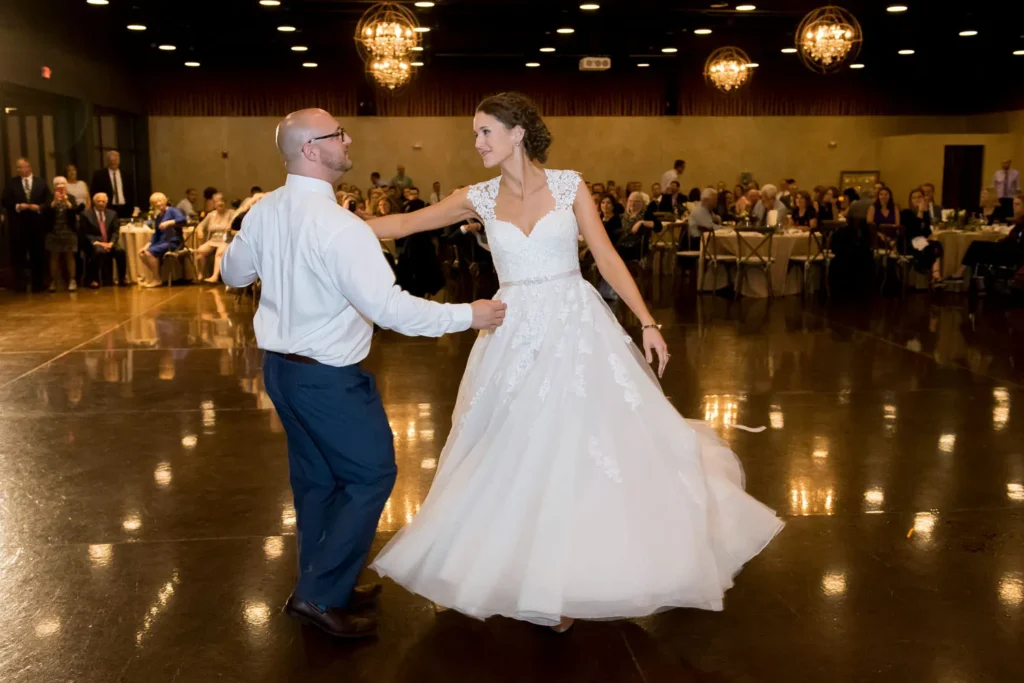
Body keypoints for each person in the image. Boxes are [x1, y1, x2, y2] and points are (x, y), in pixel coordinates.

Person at [366, 91, 783, 634]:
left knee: (580, 444)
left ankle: (568, 579)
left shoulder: (569, 185)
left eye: (485, 132)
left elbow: (606, 257)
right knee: (512, 446)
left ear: (517, 133)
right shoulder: (479, 197)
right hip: (511, 329)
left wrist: (648, 321)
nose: (476, 143)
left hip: (575, 325)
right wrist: (321, 223)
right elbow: (402, 226)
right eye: (475, 133)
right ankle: (501, 566)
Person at [219, 107, 506, 640]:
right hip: (327, 379)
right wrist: (470, 315)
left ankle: (326, 581)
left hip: (281, 371)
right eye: (337, 135)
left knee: (317, 481)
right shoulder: (340, 227)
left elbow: (232, 272)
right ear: (310, 150)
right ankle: (320, 595)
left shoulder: (263, 211)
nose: (348, 140)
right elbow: (393, 310)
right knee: (371, 475)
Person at [950, 194, 1024, 281]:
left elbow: (1017, 240)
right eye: (1013, 204)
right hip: (1009, 249)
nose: (1014, 207)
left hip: (1014, 254)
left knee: (976, 246)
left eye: (1017, 204)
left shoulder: (1021, 221)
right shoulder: (1019, 220)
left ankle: (961, 272)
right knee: (977, 246)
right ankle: (966, 274)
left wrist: (1006, 241)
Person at [2, 157, 50, 291]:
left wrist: (39, 207)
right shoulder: (12, 183)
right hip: (19, 224)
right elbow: (5, 200)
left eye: (21, 167)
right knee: (19, 254)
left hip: (37, 224)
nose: (18, 170)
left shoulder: (40, 182)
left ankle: (38, 283)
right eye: (17, 168)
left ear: (28, 167)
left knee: (38, 253)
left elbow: (48, 201)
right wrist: (17, 206)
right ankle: (20, 284)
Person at [42, 176, 82, 292]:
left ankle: (72, 280)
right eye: (58, 184)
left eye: (63, 183)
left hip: (69, 232)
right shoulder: (49, 197)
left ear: (66, 185)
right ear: (54, 186)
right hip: (53, 232)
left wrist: (65, 200)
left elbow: (75, 210)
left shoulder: (72, 198)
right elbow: (45, 211)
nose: (61, 186)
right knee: (54, 257)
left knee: (70, 256)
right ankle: (53, 281)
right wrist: (55, 201)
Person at [80, 192, 128, 288]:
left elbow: (115, 231)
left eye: (103, 201)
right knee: (98, 252)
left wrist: (111, 243)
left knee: (121, 251)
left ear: (106, 203)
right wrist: (98, 243)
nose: (101, 203)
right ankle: (93, 279)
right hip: (94, 243)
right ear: (94, 202)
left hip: (109, 242)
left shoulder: (112, 214)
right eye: (99, 201)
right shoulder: (86, 214)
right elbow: (85, 233)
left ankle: (122, 278)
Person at [139, 192, 185, 288]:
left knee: (149, 253)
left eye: (160, 201)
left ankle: (157, 279)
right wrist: (147, 245)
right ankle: (157, 276)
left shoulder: (172, 210)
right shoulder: (159, 217)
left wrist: (169, 222)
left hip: (173, 242)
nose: (159, 204)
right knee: (142, 253)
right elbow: (156, 234)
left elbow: (183, 219)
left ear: (165, 201)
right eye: (156, 202)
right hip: (161, 242)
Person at [899, 187, 943, 284]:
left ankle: (935, 274)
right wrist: (920, 212)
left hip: (920, 242)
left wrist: (931, 235)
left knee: (936, 244)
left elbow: (926, 232)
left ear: (923, 199)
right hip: (907, 243)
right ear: (910, 200)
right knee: (930, 247)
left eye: (919, 197)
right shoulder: (906, 213)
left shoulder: (925, 214)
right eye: (914, 198)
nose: (917, 200)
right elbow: (913, 232)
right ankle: (930, 273)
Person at [195, 192, 235, 283]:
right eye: (217, 201)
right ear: (214, 203)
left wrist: (230, 226)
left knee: (219, 253)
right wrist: (200, 230)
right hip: (213, 240)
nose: (219, 203)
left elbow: (237, 225)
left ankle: (215, 276)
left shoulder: (232, 213)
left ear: (225, 202)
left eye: (221, 201)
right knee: (200, 251)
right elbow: (200, 225)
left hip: (227, 239)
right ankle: (201, 274)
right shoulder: (211, 215)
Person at [90, 150, 133, 218]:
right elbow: (94, 192)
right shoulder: (99, 175)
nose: (113, 162)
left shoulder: (126, 175)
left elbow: (131, 192)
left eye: (115, 160)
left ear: (119, 161)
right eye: (111, 161)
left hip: (125, 208)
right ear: (107, 161)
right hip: (107, 208)